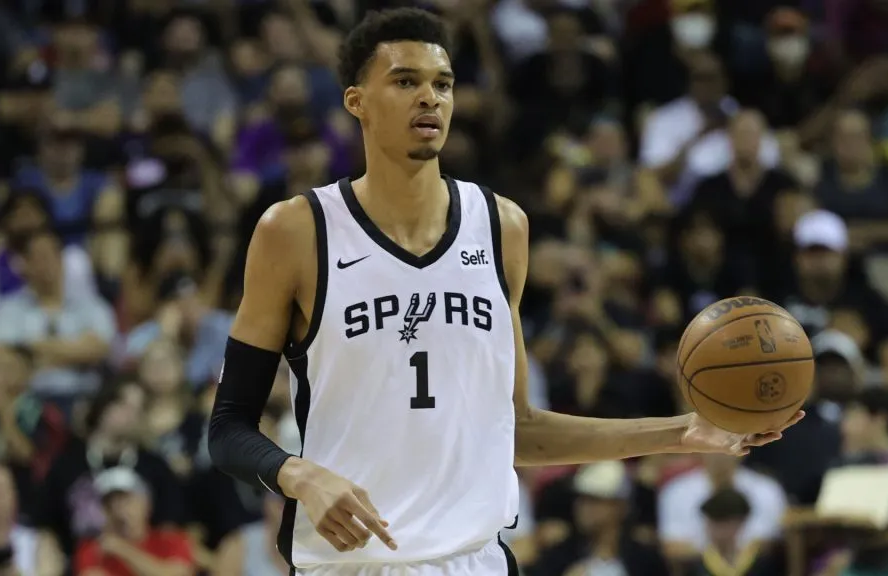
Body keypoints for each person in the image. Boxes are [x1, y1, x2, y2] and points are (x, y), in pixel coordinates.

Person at [208, 8, 803, 575]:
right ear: (357, 103)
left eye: (443, 84)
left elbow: (517, 430)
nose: (429, 98)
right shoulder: (296, 230)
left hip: (477, 559)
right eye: (405, 81)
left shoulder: (500, 228)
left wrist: (682, 431)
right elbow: (229, 427)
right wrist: (298, 475)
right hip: (349, 562)